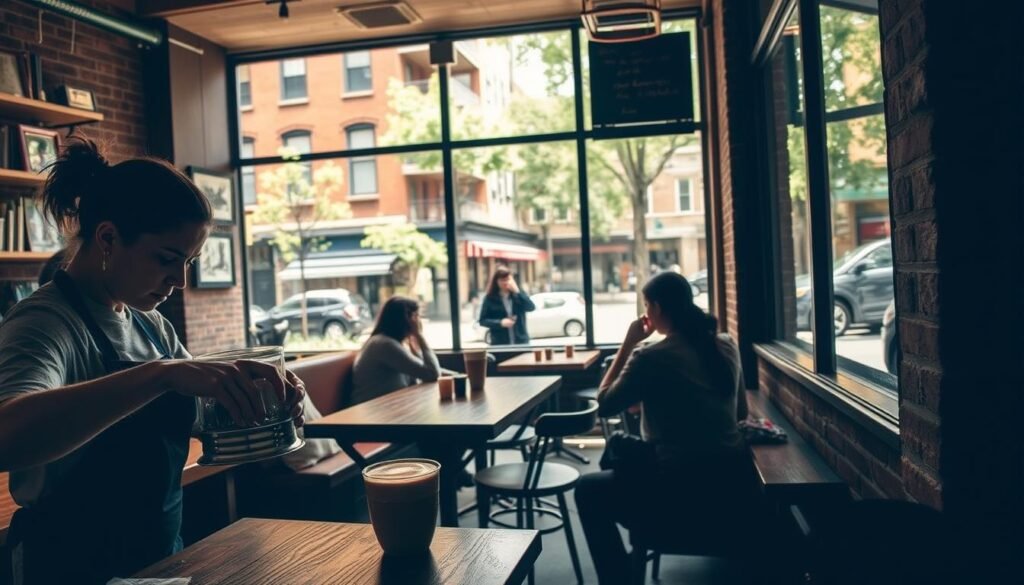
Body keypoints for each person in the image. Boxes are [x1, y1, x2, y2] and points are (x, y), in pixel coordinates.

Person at [0, 138, 305, 585]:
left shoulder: (150, 325)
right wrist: (159, 375)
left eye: (190, 262)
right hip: (68, 567)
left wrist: (261, 398)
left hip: (158, 564)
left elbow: (199, 414)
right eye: (168, 259)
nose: (180, 280)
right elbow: (7, 437)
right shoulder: (44, 322)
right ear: (108, 238)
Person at [574, 271, 754, 585]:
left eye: (646, 305)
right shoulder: (726, 345)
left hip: (675, 489)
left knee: (587, 490)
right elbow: (739, 412)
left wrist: (628, 343)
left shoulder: (649, 356)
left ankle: (618, 579)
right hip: (731, 487)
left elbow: (604, 403)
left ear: (655, 308)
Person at [351, 295, 440, 406]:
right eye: (416, 317)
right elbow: (431, 373)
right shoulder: (384, 345)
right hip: (373, 413)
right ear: (407, 320)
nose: (419, 322)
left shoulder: (392, 343)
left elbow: (424, 368)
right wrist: (419, 335)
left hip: (386, 408)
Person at [478, 267, 535, 345]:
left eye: (508, 279)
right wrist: (500, 322)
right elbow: (482, 320)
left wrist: (517, 292)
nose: (506, 282)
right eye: (502, 280)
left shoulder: (518, 295)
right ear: (496, 282)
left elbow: (531, 307)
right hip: (500, 344)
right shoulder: (490, 298)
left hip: (521, 342)